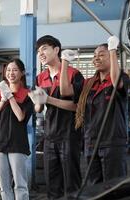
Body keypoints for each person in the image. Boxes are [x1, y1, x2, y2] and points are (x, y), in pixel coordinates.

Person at [60, 36, 130, 185]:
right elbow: (65, 90)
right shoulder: (88, 84)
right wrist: (65, 62)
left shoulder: (119, 78)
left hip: (112, 144)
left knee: (114, 188)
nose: (96, 58)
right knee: (94, 187)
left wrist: (112, 50)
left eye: (101, 54)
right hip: (91, 143)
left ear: (112, 57)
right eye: (94, 55)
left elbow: (117, 81)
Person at [29, 35, 84, 199]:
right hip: (50, 136)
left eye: (44, 48)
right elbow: (39, 108)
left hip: (69, 135)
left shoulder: (73, 74)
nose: (41, 53)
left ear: (56, 50)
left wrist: (48, 99)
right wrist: (37, 101)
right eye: (38, 51)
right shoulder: (41, 77)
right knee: (52, 184)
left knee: (71, 184)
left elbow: (77, 107)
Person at [0, 58, 34, 200]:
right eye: (9, 70)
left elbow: (20, 117)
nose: (11, 73)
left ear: (22, 73)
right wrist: (3, 99)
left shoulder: (27, 95)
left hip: (17, 143)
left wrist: (10, 96)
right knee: (4, 186)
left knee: (20, 184)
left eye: (15, 70)